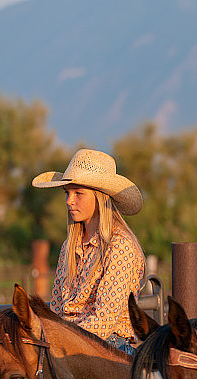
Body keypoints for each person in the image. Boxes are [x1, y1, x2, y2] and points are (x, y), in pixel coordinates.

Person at [32, 148, 145, 355]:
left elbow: (105, 319)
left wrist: (58, 341)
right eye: (67, 193)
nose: (69, 201)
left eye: (79, 193)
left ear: (100, 198)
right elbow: (57, 308)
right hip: (69, 345)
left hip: (108, 349)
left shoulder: (120, 246)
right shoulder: (69, 246)